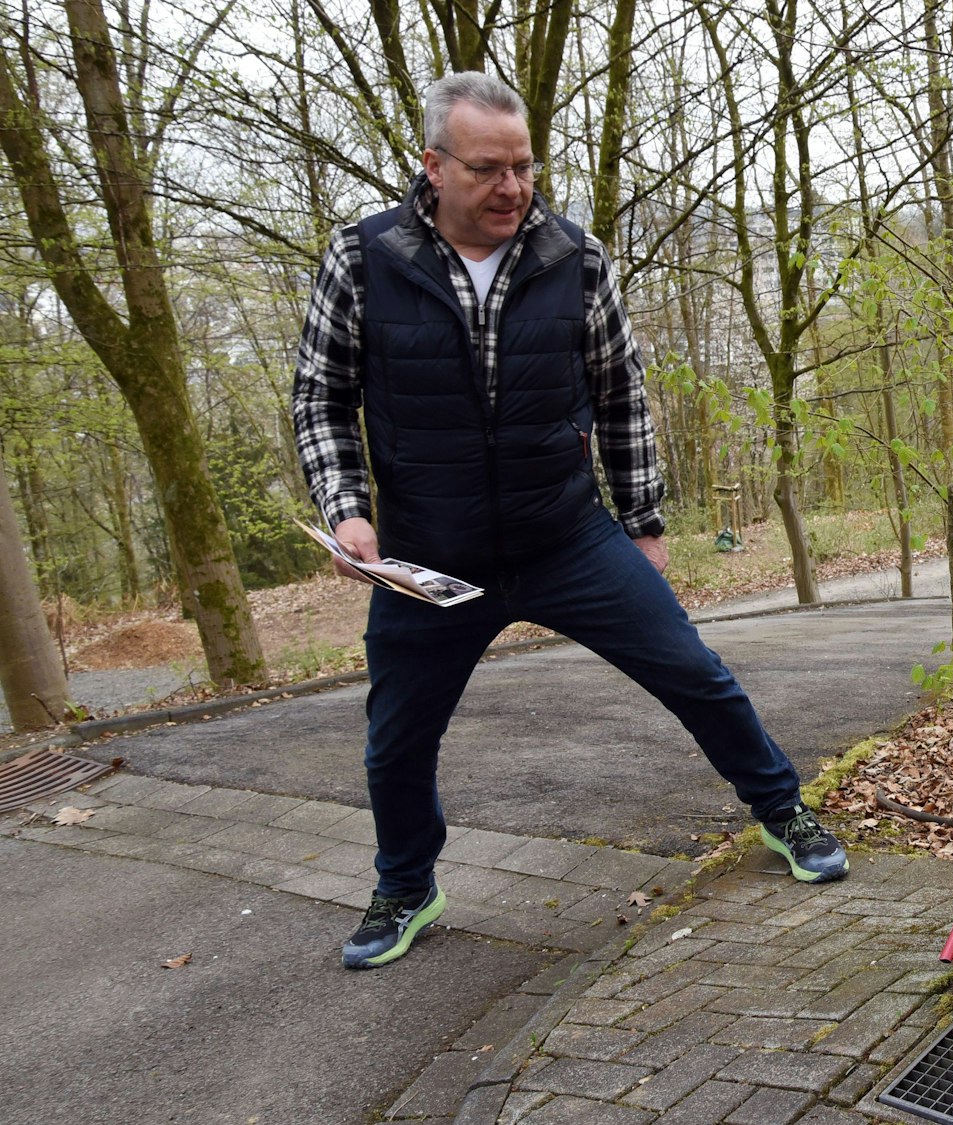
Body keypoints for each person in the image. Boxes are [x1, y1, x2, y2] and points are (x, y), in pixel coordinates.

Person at [292, 72, 847, 971]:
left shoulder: (573, 256)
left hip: (568, 537)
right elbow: (320, 397)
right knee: (396, 740)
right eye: (488, 170)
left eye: (524, 166)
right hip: (428, 557)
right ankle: (406, 883)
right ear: (434, 166)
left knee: (697, 675)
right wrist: (348, 514)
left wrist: (645, 521)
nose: (514, 188)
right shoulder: (362, 259)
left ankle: (781, 809)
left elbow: (620, 390)